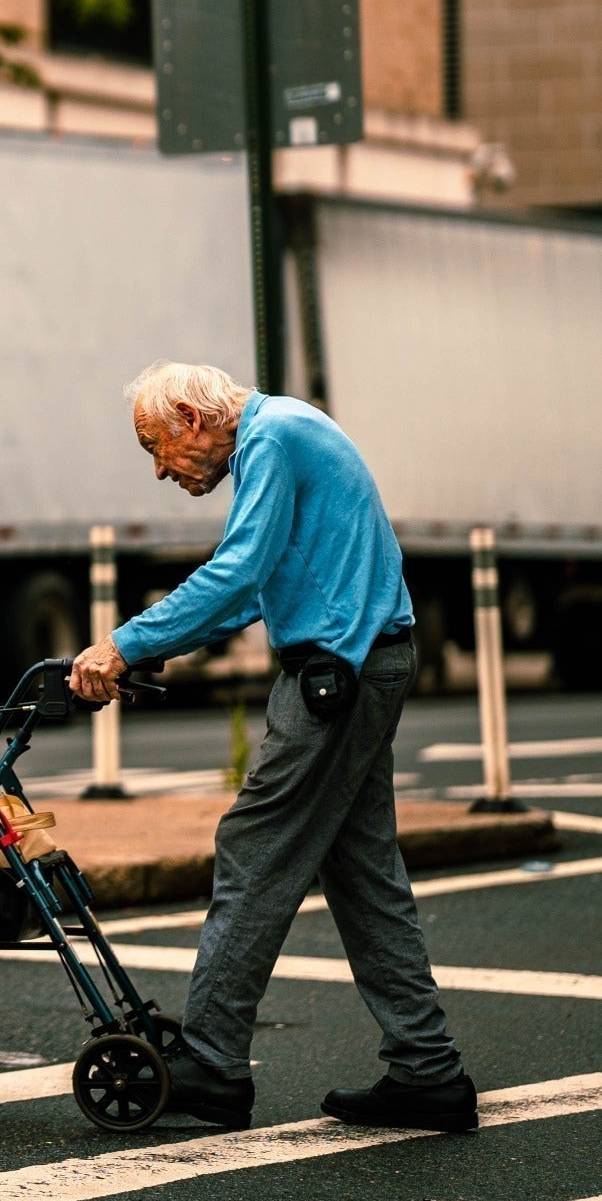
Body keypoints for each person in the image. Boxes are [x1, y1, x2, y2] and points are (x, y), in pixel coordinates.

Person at [69, 359, 476, 1134]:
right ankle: (428, 1071)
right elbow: (256, 592)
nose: (160, 470)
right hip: (366, 660)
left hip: (337, 672)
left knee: (254, 848)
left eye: (156, 447)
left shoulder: (272, 440)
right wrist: (150, 651)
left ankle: (215, 1064)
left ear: (192, 417)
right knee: (361, 869)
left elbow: (236, 573)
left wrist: (121, 644)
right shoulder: (284, 431)